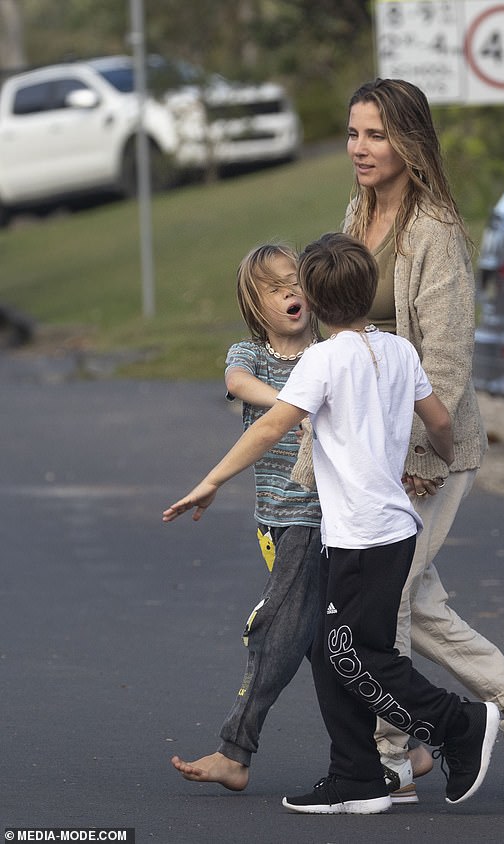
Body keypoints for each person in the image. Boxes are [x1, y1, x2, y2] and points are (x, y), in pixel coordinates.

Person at [164, 232, 500, 813]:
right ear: (370, 291)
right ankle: (358, 777)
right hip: (392, 531)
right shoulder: (398, 350)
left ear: (315, 300)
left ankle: (459, 725)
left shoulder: (321, 360)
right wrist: (440, 454)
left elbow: (268, 428)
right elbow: (440, 420)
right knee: (334, 648)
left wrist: (212, 480)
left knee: (355, 656)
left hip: (362, 538)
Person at [342, 78, 504, 798]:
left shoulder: (433, 227)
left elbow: (442, 359)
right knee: (414, 598)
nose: (359, 148)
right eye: (352, 133)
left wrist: (418, 455)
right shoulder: (359, 210)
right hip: (371, 445)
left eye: (375, 135)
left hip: (427, 449)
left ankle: (398, 747)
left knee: (390, 599)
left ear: (409, 140)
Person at [170, 243, 323, 791]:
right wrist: (292, 407)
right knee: (327, 642)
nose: (290, 292)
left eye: (295, 280)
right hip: (273, 522)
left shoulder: (327, 351)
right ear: (255, 307)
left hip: (317, 517)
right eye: (274, 288)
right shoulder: (251, 355)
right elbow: (237, 384)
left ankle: (235, 751)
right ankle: (409, 745)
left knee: (273, 631)